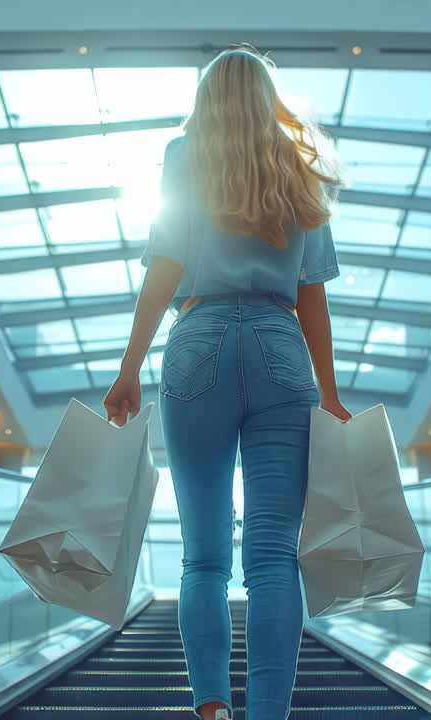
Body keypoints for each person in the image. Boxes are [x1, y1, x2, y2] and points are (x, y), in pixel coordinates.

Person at [103, 47, 352, 720]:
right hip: (279, 349)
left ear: (208, 98)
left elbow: (166, 261)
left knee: (203, 558)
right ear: (268, 97)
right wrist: (328, 394)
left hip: (198, 343)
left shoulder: (186, 154)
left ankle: (211, 712)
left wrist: (129, 366)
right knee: (274, 557)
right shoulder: (298, 167)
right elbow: (312, 296)